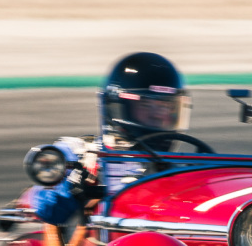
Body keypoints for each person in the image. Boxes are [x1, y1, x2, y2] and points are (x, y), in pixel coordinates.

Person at [32, 52, 188, 225]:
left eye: (166, 106)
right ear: (120, 107)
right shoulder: (79, 154)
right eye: (146, 105)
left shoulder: (180, 167)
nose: (158, 116)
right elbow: (47, 209)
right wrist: (76, 186)